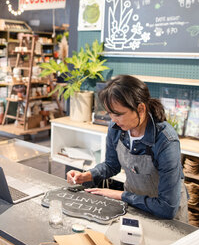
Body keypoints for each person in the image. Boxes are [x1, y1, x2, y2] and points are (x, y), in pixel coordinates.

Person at [66, 75, 188, 221]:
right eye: (110, 113)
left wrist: (120, 195)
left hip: (167, 218)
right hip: (134, 206)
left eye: (118, 114)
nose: (113, 120)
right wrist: (87, 175)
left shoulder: (165, 141)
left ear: (141, 109)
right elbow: (112, 165)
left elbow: (167, 208)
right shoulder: (116, 128)